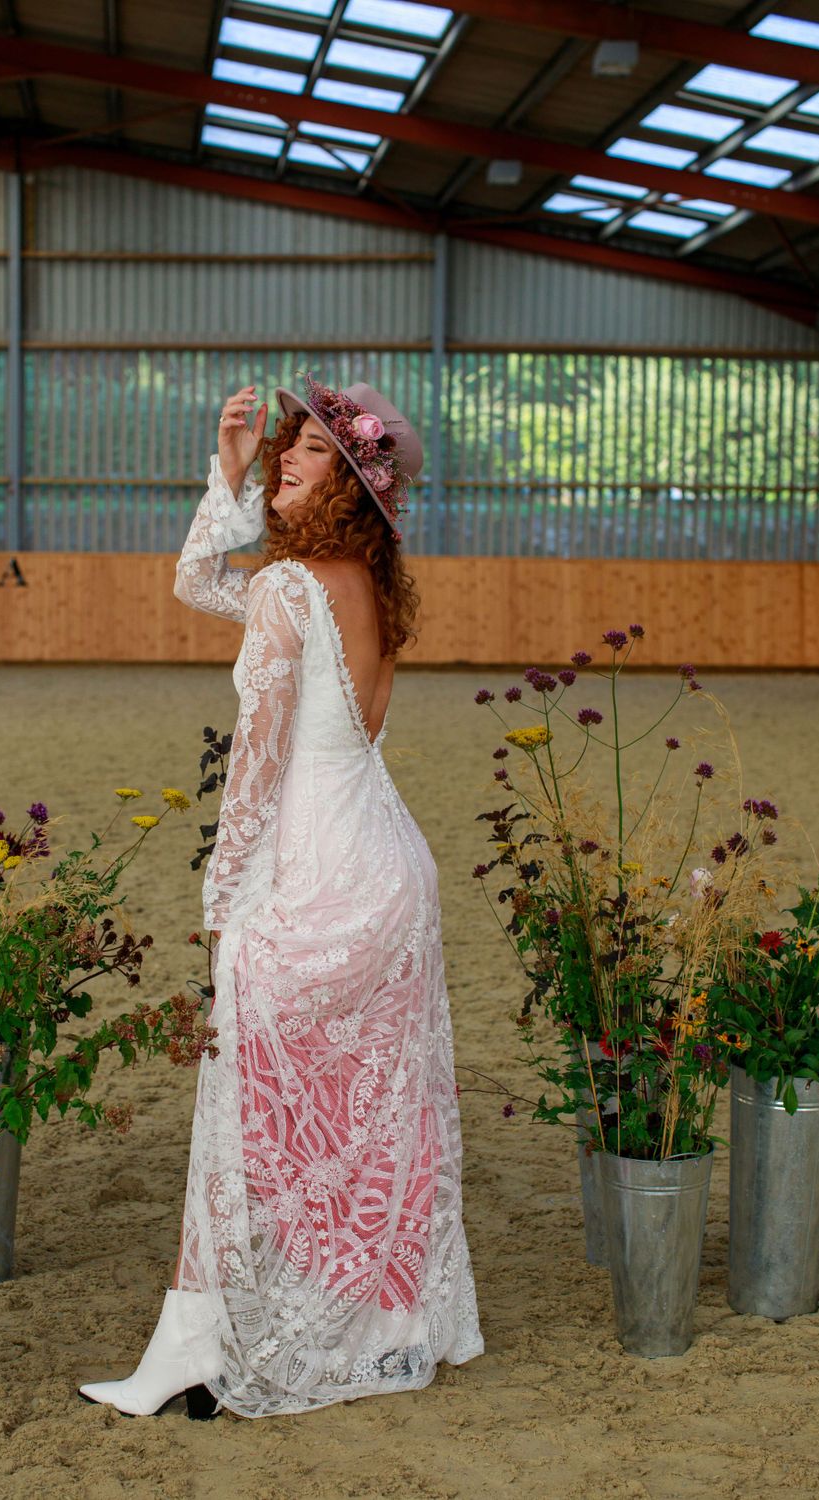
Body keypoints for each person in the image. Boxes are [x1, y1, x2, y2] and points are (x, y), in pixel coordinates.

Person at [79, 376, 483, 1421]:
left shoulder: (289, 587)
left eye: (305, 453)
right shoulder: (357, 580)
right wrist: (224, 467)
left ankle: (194, 1347)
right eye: (281, 452)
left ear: (349, 478)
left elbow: (254, 763)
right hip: (389, 867)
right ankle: (392, 1333)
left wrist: (227, 896)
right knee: (373, 1115)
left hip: (311, 874)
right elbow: (200, 579)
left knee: (240, 1116)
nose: (281, 465)